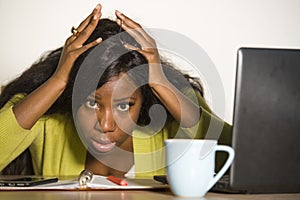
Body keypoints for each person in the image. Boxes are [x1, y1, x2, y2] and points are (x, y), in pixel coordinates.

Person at [0, 4, 231, 178]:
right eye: (92, 103)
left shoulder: (174, 118)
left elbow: (243, 157)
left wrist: (161, 82)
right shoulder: (48, 121)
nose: (106, 125)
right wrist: (59, 80)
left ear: (144, 98)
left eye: (124, 106)